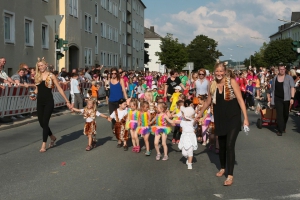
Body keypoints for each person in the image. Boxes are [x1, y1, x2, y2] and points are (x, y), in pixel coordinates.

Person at [199, 62, 249, 186]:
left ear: (225, 72)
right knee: (221, 145)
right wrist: (199, 114)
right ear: (214, 72)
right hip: (220, 118)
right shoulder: (212, 84)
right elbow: (208, 101)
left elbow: (240, 100)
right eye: (217, 71)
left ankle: (230, 175)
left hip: (233, 117)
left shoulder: (231, 82)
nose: (219, 73)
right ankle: (222, 167)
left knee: (229, 145)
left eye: (221, 71)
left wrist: (245, 118)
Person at [29, 57, 72, 152]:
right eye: (39, 66)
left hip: (49, 101)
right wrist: (33, 94)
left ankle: (43, 144)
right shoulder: (37, 76)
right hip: (40, 102)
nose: (40, 67)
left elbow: (59, 88)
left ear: (46, 65)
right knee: (41, 123)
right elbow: (37, 89)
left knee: (45, 123)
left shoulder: (51, 75)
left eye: (42, 65)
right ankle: (52, 137)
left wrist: (67, 101)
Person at [270, 64, 295, 136]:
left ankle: (283, 126)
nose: (282, 70)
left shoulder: (289, 78)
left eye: (283, 69)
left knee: (285, 114)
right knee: (279, 114)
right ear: (278, 70)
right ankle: (280, 130)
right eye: (280, 69)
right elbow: (273, 89)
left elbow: (292, 87)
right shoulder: (275, 78)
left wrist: (292, 98)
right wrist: (271, 98)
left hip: (286, 98)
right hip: (278, 98)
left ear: (285, 70)